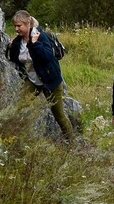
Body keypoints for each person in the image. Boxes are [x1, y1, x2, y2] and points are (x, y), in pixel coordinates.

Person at [7, 11, 77, 140]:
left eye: (19, 26)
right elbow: (14, 60)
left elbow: (48, 57)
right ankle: (17, 139)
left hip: (50, 80)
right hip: (32, 80)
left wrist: (34, 43)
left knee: (59, 114)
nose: (16, 29)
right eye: (15, 26)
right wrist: (10, 47)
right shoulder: (17, 42)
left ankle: (72, 142)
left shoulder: (41, 37)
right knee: (19, 108)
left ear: (28, 24)